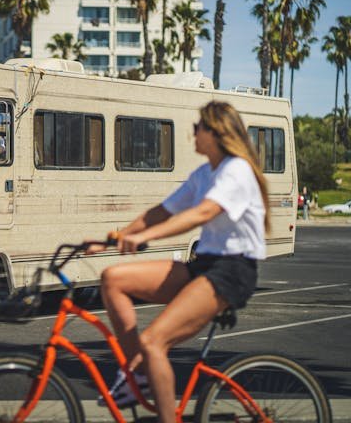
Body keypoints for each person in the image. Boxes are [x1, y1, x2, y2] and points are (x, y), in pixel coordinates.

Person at [86, 101, 270, 423]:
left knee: (153, 341)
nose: (193, 133)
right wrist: (114, 238)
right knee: (113, 278)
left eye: (198, 127)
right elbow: (162, 211)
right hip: (204, 264)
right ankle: (138, 376)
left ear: (215, 132)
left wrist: (145, 238)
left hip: (233, 270)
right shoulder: (204, 173)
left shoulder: (236, 170)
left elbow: (202, 213)